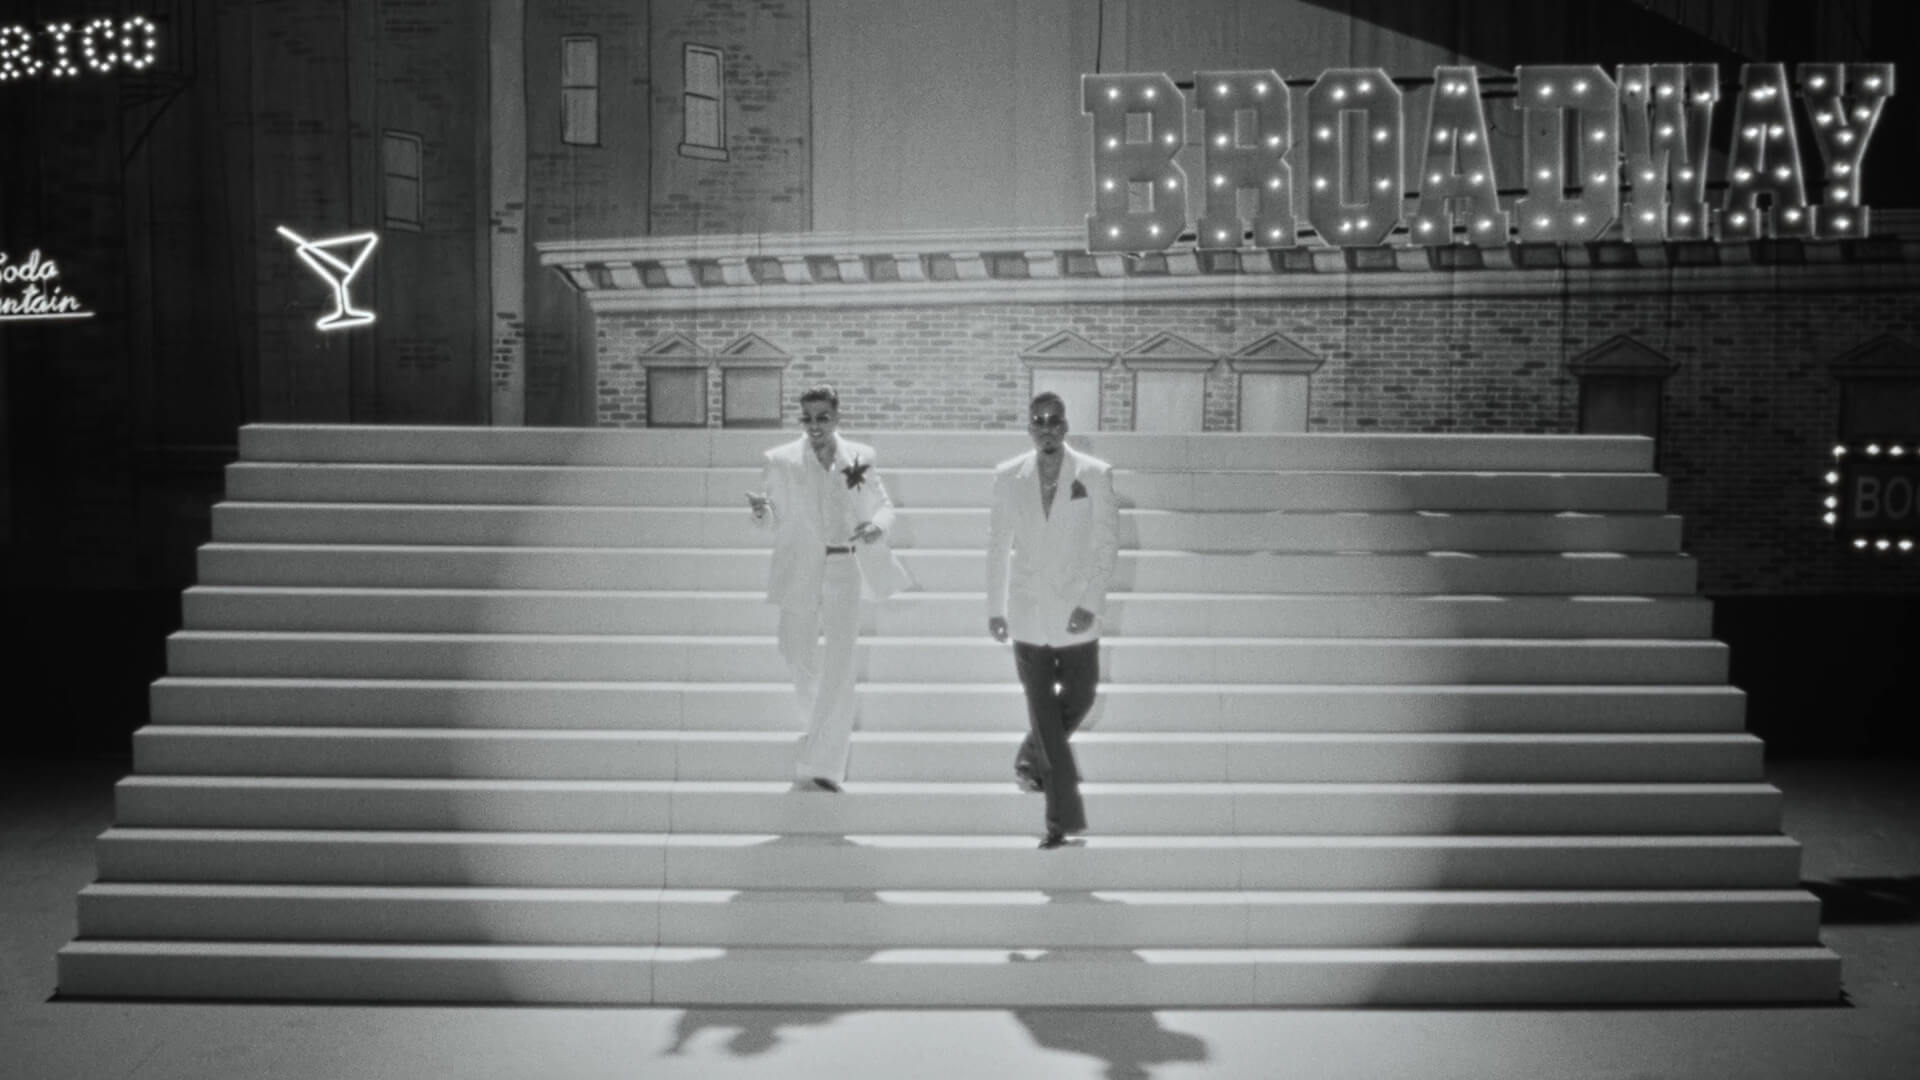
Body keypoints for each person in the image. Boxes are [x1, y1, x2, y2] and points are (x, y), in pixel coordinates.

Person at [747, 384, 910, 792]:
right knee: (795, 651)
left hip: (844, 567)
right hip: (799, 568)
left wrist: (876, 526)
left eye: (822, 417)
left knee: (840, 663)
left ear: (836, 417)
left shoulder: (860, 458)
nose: (815, 425)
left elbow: (885, 506)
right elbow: (772, 520)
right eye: (807, 418)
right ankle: (818, 724)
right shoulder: (780, 460)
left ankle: (824, 764)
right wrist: (762, 513)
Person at [985, 391, 1121, 849]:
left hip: (1076, 610)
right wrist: (995, 608)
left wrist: (1090, 602)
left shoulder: (1095, 474)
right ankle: (1060, 821)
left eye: (1054, 420)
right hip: (1027, 612)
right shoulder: (1008, 476)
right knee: (1044, 713)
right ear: (1030, 427)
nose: (1046, 427)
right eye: (1038, 421)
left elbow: (1106, 545)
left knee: (1081, 695)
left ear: (1065, 426)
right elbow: (997, 545)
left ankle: (1030, 755)